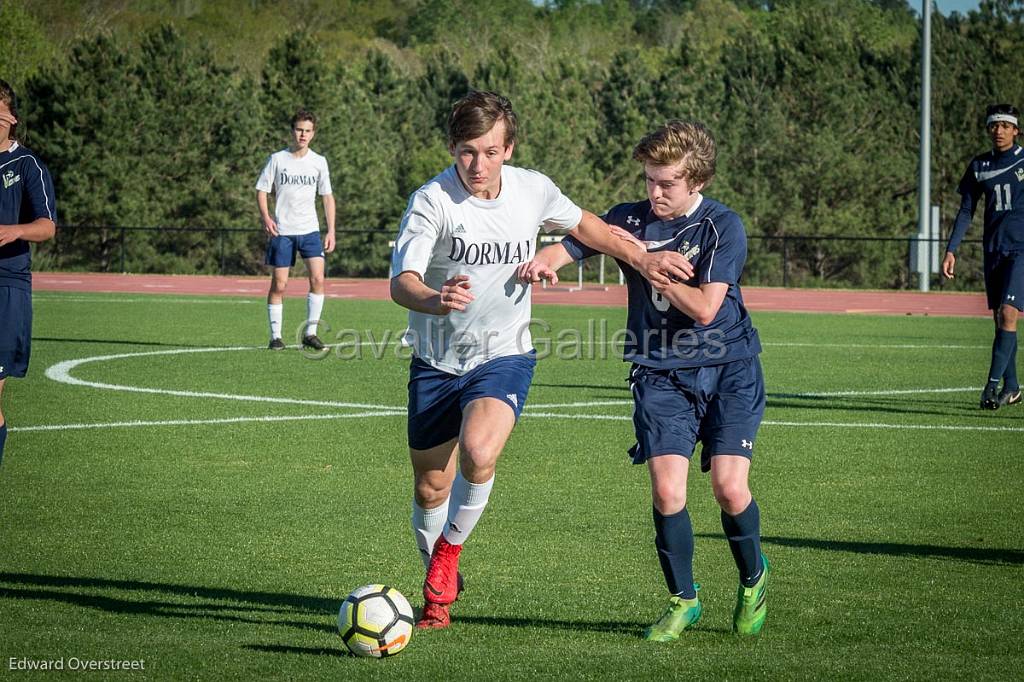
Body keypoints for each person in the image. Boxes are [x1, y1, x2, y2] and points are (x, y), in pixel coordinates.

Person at [389, 91, 689, 629]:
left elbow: (587, 227)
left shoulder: (533, 189)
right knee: (431, 486)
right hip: (435, 362)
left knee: (480, 452)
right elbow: (401, 283)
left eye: (488, 151)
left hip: (504, 355)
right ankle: (436, 586)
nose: (476, 165)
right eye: (465, 152)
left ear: (508, 148)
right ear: (452, 149)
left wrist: (642, 259)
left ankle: (448, 558)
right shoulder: (431, 201)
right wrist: (434, 299)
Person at [519, 120, 769, 639]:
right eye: (650, 180)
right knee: (666, 490)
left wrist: (650, 268)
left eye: (667, 183)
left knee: (728, 487)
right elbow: (573, 246)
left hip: (728, 369)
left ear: (696, 182)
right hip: (658, 371)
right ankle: (684, 600)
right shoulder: (627, 219)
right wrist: (546, 260)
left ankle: (752, 577)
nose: (654, 192)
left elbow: (704, 309)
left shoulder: (723, 226)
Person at [942, 104, 1023, 409]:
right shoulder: (979, 165)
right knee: (1000, 320)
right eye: (994, 126)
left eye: (1005, 125)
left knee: (1007, 313)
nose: (999, 131)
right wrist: (951, 249)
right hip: (993, 250)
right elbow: (966, 210)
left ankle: (990, 386)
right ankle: (1012, 387)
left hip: (1021, 249)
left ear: (1015, 130)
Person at [0, 79, 57, 467]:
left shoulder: (26, 164)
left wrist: (15, 230)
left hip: (7, 286)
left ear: (11, 118)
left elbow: (48, 226)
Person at [256, 108, 335, 351]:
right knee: (279, 285)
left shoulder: (319, 162)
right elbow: (261, 190)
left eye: (308, 131)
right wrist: (267, 218)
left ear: (313, 134)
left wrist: (331, 230)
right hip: (283, 232)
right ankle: (276, 337)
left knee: (318, 279)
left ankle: (310, 333)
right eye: (299, 129)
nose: (303, 135)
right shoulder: (277, 159)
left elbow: (327, 197)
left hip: (310, 231)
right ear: (293, 131)